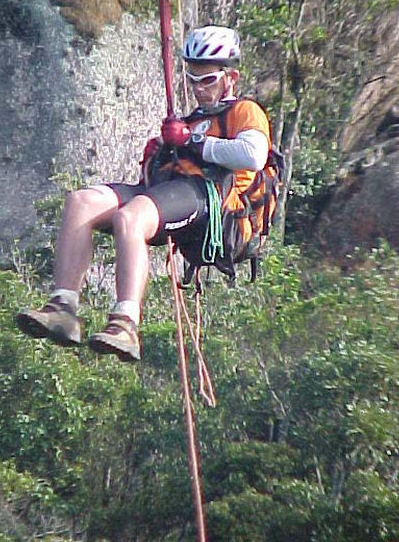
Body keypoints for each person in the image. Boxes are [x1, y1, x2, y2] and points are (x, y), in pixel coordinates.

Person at [16, 25, 272, 362]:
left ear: (230, 77)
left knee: (130, 217)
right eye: (192, 79)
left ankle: (125, 323)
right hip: (169, 190)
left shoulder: (244, 111)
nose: (198, 88)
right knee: (82, 203)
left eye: (207, 80)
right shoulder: (191, 118)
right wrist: (161, 149)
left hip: (208, 197)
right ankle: (63, 307)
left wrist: (193, 142)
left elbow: (254, 156)